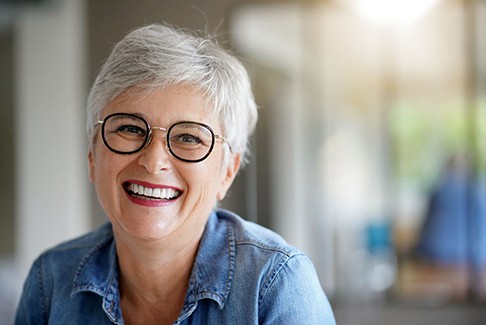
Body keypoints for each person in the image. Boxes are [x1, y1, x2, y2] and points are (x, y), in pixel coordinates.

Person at [15, 23, 336, 324]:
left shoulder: (275, 284)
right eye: (129, 128)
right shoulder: (51, 281)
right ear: (92, 156)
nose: (154, 161)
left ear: (227, 171)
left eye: (189, 137)